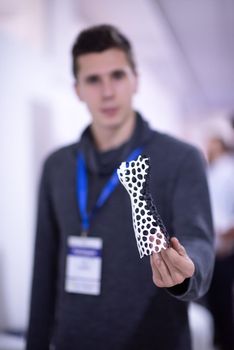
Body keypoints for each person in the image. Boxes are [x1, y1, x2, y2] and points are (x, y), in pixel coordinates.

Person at [26, 24, 214, 350]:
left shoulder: (180, 159)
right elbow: (43, 270)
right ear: (77, 90)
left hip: (154, 341)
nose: (108, 92)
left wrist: (187, 271)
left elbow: (198, 242)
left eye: (117, 75)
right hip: (74, 341)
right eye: (93, 80)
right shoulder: (57, 167)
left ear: (135, 80)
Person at [205, 134, 234, 350]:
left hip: (224, 247)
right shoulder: (211, 170)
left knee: (224, 301)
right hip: (210, 246)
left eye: (211, 141)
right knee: (213, 299)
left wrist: (228, 239)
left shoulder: (228, 171)